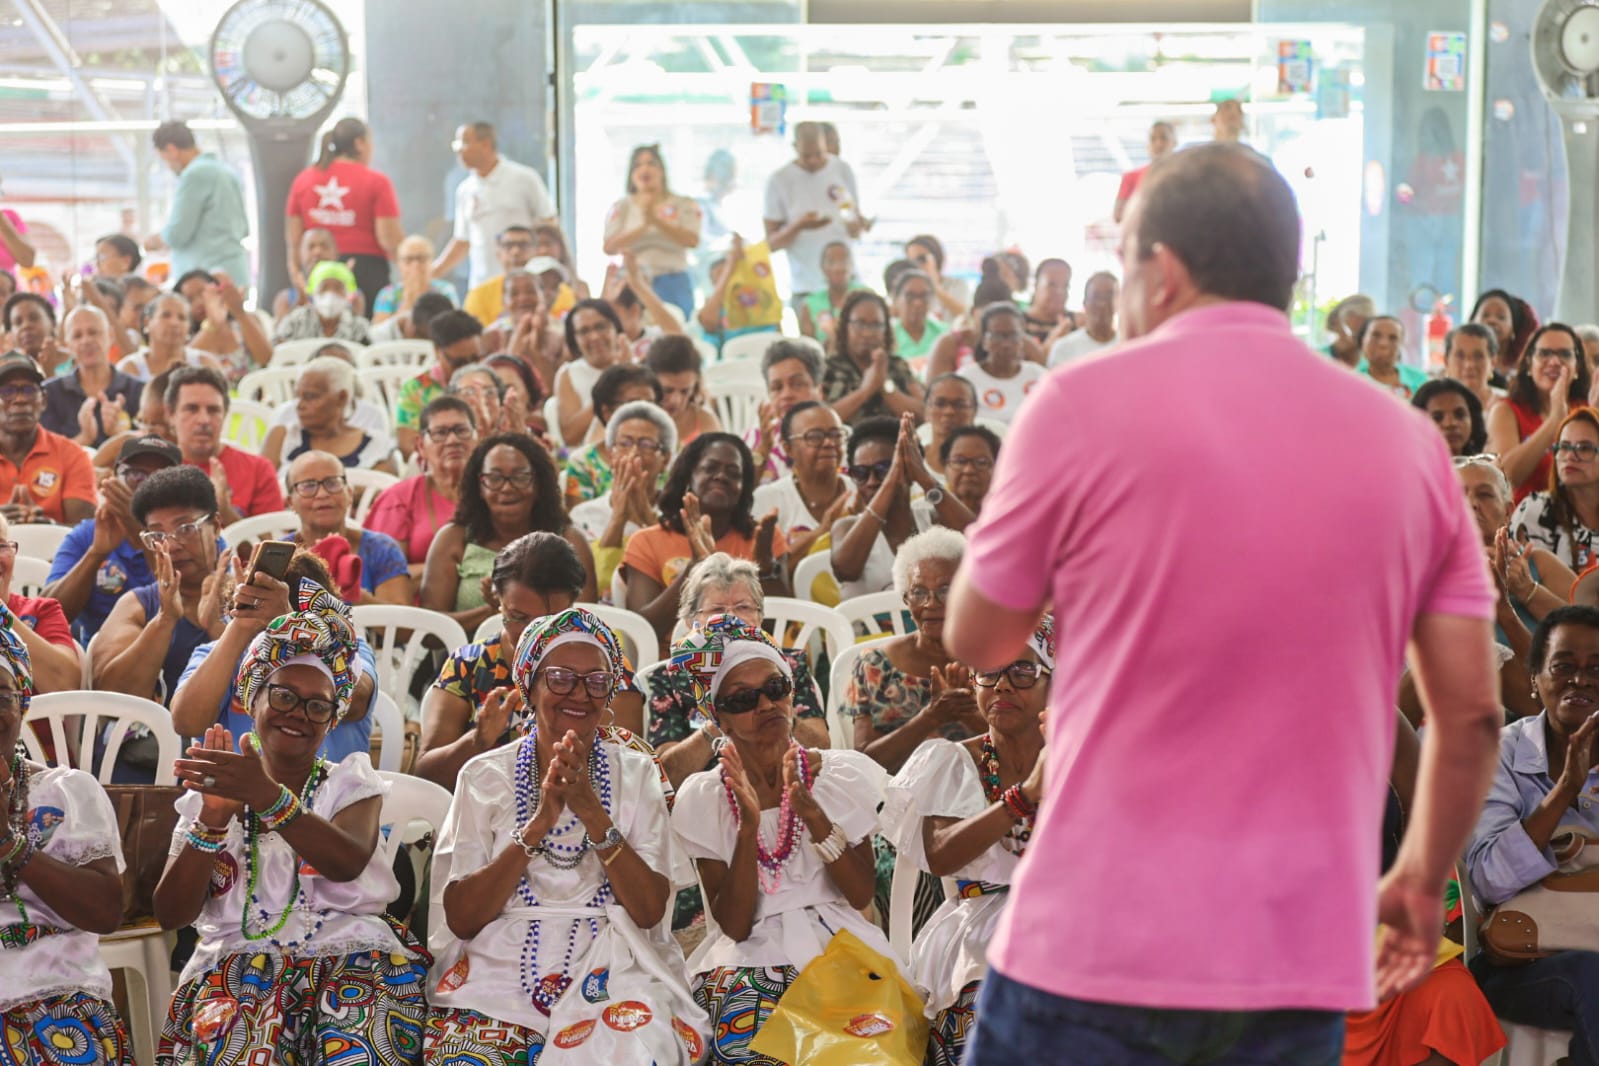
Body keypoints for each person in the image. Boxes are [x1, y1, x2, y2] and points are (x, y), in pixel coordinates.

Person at [945, 142, 1501, 1065]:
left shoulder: (1077, 404)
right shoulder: (1407, 445)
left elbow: (981, 636)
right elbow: (1472, 716)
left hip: (1088, 944)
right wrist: (1416, 877)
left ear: (1159, 271)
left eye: (1122, 264)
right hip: (1293, 961)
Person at [153, 591, 429, 1065]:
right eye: (283, 696)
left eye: (318, 706)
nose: (299, 713)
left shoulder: (349, 780)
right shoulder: (214, 791)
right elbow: (171, 914)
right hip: (236, 969)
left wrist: (266, 796)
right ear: (251, 698)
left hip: (352, 961)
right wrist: (214, 818)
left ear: (332, 719)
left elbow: (345, 861)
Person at [424, 607, 700, 1063]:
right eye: (560, 678)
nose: (579, 694)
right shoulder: (484, 774)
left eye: (596, 682)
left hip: (615, 963)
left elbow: (650, 911)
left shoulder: (635, 773)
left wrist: (593, 813)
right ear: (528, 687)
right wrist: (540, 821)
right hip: (500, 967)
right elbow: (463, 917)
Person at [669, 615, 896, 1065]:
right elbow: (734, 926)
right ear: (721, 720)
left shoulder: (838, 775)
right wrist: (748, 828)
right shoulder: (706, 797)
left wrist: (810, 811)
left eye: (775, 688)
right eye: (744, 699)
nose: (766, 705)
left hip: (843, 947)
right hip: (748, 959)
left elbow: (859, 893)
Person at [881, 615, 1052, 1066]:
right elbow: (939, 854)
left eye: (1023, 671)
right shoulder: (956, 760)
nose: (1001, 686)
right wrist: (1023, 798)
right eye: (989, 671)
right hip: (978, 931)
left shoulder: (1088, 755)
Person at [1464, 605, 1599, 1064]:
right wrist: (1564, 790)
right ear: (1535, 679)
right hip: (1522, 960)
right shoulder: (1499, 753)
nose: (1580, 680)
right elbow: (1486, 880)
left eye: (1596, 669)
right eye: (1564, 666)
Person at [415, 536, 649, 790]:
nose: (534, 636)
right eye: (518, 617)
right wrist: (476, 742)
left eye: (551, 622)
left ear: (573, 604)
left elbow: (628, 777)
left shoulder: (603, 673)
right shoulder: (470, 665)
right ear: (497, 601)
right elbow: (426, 777)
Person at [0, 624, 134, 1065]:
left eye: (2, 696)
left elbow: (105, 912)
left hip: (56, 1002)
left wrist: (10, 846)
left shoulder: (66, 791)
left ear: (22, 705)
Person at [649, 555, 829, 789]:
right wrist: (722, 717)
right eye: (717, 609)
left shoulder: (789, 667)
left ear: (759, 618)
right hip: (707, 798)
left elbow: (822, 749)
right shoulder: (670, 678)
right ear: (690, 623)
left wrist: (780, 712)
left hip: (786, 787)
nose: (731, 619)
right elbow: (667, 776)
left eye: (743, 607)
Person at [421, 433, 596, 634]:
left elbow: (585, 624)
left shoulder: (569, 539)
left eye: (520, 477)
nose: (507, 487)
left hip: (551, 661)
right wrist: (494, 610)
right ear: (479, 485)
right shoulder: (454, 538)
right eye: (494, 478)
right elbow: (429, 631)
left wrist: (512, 607)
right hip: (467, 661)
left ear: (538, 483)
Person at [622, 433, 786, 643]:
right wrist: (695, 567)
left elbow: (782, 625)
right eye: (710, 468)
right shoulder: (646, 541)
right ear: (689, 477)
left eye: (733, 473)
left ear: (743, 487)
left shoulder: (764, 538)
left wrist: (765, 567)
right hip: (673, 667)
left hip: (751, 665)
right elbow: (643, 631)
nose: (721, 476)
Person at [844, 528, 983, 771]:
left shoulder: (994, 656)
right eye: (919, 592)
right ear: (905, 599)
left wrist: (967, 712)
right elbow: (865, 764)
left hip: (985, 793)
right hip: (902, 799)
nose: (931, 603)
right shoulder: (875, 666)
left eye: (945, 590)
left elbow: (1026, 747)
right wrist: (931, 716)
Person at [91, 464, 223, 706]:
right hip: (158, 739)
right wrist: (165, 619)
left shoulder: (251, 595)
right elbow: (109, 700)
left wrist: (220, 629)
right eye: (158, 535)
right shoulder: (140, 604)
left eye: (186, 529)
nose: (171, 545)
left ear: (215, 527)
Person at [45, 433, 179, 642]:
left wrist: (141, 535)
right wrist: (96, 553)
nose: (149, 489)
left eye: (163, 479)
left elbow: (188, 612)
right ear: (115, 480)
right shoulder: (88, 534)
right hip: (100, 663)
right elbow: (46, 616)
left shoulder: (193, 534)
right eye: (137, 476)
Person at [833, 415, 972, 600]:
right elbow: (846, 571)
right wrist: (890, 481)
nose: (872, 481)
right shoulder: (846, 527)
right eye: (861, 473)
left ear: (910, 468)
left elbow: (979, 540)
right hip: (871, 630)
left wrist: (924, 478)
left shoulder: (934, 521)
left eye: (884, 470)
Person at [285, 116, 402, 311]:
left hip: (317, 272)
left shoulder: (303, 180)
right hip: (366, 271)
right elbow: (389, 239)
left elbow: (293, 240)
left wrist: (296, 273)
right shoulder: (376, 182)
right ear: (360, 143)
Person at [432, 121, 556, 291]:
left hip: (525, 284)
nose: (459, 150)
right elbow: (462, 241)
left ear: (485, 144)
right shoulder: (465, 190)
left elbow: (549, 224)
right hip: (482, 285)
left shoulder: (524, 178)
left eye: (464, 143)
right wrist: (433, 272)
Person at [571, 400, 675, 598]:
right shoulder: (582, 515)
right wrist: (618, 517)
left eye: (646, 445)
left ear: (666, 459)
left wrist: (646, 515)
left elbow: (674, 575)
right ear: (611, 454)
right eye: (625, 443)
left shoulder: (677, 513)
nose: (634, 454)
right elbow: (586, 585)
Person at [365, 397, 478, 576]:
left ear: (477, 439)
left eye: (461, 430)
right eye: (440, 433)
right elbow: (383, 577)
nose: (453, 440)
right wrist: (451, 568)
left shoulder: (496, 492)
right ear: (420, 445)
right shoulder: (399, 499)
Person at [281, 451, 412, 605]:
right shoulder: (282, 555)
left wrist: (356, 598)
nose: (322, 494)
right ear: (291, 503)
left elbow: (403, 625)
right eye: (308, 486)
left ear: (349, 494)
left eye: (332, 482)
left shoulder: (381, 549)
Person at [763, 121, 867, 306]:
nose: (813, 161)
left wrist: (857, 225)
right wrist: (799, 226)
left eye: (818, 154)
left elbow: (855, 225)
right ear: (795, 147)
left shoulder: (842, 169)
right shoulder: (780, 180)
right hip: (806, 286)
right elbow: (771, 244)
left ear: (825, 145)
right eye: (806, 155)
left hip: (846, 283)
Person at [1487, 322, 1591, 504]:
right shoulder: (1506, 410)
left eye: (1565, 354)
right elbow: (1503, 479)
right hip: (1523, 524)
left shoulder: (1588, 408)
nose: (1554, 362)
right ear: (1529, 363)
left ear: (1578, 367)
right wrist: (1554, 421)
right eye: (1544, 353)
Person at [166, 366, 283, 524]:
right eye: (192, 409)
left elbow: (273, 544)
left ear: (225, 414)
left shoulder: (258, 470)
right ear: (170, 414)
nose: (204, 420)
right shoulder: (153, 467)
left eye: (213, 410)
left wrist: (225, 512)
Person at [603, 144, 703, 317]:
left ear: (662, 170)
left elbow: (692, 240)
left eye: (651, 163)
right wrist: (643, 226)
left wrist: (657, 221)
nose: (645, 169)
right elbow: (609, 246)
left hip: (672, 279)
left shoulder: (683, 203)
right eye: (638, 165)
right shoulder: (622, 207)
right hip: (633, 279)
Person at [145, 121, 249, 285]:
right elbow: (244, 228)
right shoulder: (225, 171)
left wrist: (153, 242)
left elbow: (177, 234)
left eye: (164, 160)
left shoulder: (194, 175)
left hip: (205, 279)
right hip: (233, 271)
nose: (168, 167)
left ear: (172, 150)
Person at [0, 350, 95, 525]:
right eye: (7, 391)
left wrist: (47, 528)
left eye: (29, 390)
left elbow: (85, 533)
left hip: (55, 552)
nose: (20, 399)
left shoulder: (72, 455)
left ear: (43, 400)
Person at [752, 400, 854, 562]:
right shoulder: (769, 500)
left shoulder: (861, 492)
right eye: (814, 437)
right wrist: (822, 531)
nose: (828, 443)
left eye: (836, 435)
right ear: (788, 448)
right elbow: (766, 574)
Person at [259, 355, 396, 473]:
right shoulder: (282, 438)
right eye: (298, 397)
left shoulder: (376, 446)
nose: (300, 405)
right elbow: (262, 488)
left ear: (341, 398)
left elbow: (385, 494)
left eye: (310, 396)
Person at [1510, 407, 1599, 571]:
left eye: (1584, 448)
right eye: (1564, 447)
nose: (1570, 456)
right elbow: (1524, 589)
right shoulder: (1535, 510)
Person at [563, 363, 663, 506]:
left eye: (650, 404)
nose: (644, 413)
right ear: (607, 412)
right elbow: (579, 523)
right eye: (633, 405)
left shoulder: (666, 454)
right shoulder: (583, 463)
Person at [821, 290, 925, 426]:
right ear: (846, 326)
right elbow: (820, 420)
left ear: (886, 330)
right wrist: (865, 390)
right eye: (860, 323)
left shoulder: (897, 365)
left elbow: (925, 414)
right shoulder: (828, 368)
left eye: (876, 325)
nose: (867, 333)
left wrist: (884, 385)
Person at [43, 305, 142, 447]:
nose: (86, 341)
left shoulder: (138, 390)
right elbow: (47, 460)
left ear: (111, 335)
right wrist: (84, 437)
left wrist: (119, 437)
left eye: (93, 332)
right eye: (77, 335)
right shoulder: (49, 393)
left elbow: (151, 453)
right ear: (68, 345)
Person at [394, 309, 484, 456]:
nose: (468, 369)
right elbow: (407, 445)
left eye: (475, 360)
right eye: (458, 363)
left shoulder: (489, 384)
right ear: (437, 351)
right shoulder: (416, 389)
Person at [748, 338, 826, 484]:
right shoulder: (754, 439)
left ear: (819, 390)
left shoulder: (838, 439)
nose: (786, 395)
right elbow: (740, 498)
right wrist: (764, 449)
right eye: (777, 388)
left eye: (797, 384)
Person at [553, 299, 628, 447]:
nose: (594, 337)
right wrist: (612, 380)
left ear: (615, 329)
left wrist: (625, 369)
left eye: (601, 327)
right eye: (584, 331)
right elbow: (570, 436)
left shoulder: (637, 367)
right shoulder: (568, 374)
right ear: (574, 339)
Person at [959, 302, 1046, 424]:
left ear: (1022, 340)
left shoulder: (1039, 375)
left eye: (1013, 336)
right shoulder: (966, 379)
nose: (1006, 344)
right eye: (998, 336)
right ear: (984, 341)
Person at [119, 292, 225, 381]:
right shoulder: (130, 367)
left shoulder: (205, 363)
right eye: (166, 315)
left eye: (182, 318)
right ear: (147, 322)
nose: (174, 323)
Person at [644, 334, 721, 448]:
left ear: (695, 386)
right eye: (668, 390)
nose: (676, 400)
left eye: (685, 391)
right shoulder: (636, 421)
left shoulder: (705, 422)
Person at [272, 260, 374, 345]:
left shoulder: (358, 326)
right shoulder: (296, 321)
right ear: (313, 291)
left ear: (348, 294)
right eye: (324, 287)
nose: (330, 293)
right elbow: (276, 349)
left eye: (338, 288)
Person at [462, 225, 538, 328]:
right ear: (498, 254)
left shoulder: (559, 292)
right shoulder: (479, 295)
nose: (515, 251)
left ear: (537, 252)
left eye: (523, 245)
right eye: (508, 246)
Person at [374, 235, 456, 324]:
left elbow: (452, 326)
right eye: (409, 259)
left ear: (431, 261)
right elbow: (379, 330)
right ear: (399, 264)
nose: (415, 265)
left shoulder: (445, 290)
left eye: (421, 258)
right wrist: (408, 300)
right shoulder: (387, 294)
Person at [797, 240, 864, 345]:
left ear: (852, 265)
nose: (837, 268)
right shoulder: (810, 303)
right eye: (831, 261)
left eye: (843, 261)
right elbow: (808, 346)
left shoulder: (865, 296)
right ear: (822, 267)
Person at [1047, 272, 1119, 367]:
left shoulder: (1128, 346)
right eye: (1096, 296)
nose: (1102, 303)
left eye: (1109, 296)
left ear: (1119, 301)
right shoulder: (1064, 348)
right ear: (1085, 303)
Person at [1471, 288, 1537, 386]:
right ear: (1472, 321)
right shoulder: (1461, 363)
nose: (1492, 321)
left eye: (1501, 317)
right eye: (1485, 315)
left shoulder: (1523, 371)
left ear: (1513, 328)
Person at [1114, 120, 1177, 223]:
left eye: (1163, 138)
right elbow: (1118, 216)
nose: (1158, 143)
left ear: (1174, 142)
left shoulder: (1185, 176)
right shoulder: (1130, 177)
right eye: (1153, 139)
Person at [923, 374, 979, 483]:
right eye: (940, 404)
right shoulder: (912, 460)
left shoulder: (990, 465)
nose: (949, 411)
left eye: (959, 405)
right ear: (926, 410)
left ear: (974, 411)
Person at [1357, 315, 1429, 399]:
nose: (1383, 344)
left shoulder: (1419, 380)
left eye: (1393, 338)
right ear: (1363, 340)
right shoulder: (1352, 379)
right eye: (1375, 336)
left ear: (1401, 344)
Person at [891, 269, 949, 374]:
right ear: (896, 299)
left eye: (924, 296)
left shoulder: (946, 334)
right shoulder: (888, 335)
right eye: (910, 296)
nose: (918, 303)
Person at [1411, 379, 1487, 458]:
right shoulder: (1407, 468)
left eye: (1460, 415)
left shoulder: (1485, 467)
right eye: (1437, 418)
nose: (1450, 424)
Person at [907, 234, 971, 322]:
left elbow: (966, 316)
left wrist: (934, 285)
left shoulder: (957, 285)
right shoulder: (908, 289)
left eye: (921, 259)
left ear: (936, 257)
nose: (917, 265)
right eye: (911, 261)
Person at [941, 424, 1001, 517]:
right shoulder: (925, 515)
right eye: (960, 461)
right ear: (944, 467)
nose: (969, 470)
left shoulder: (1007, 514)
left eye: (981, 462)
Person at [3, 291, 66, 378]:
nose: (26, 326)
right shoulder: (7, 377)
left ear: (52, 323)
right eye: (18, 322)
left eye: (34, 318)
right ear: (9, 334)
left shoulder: (79, 362)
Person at [1444, 321, 1503, 411]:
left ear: (1493, 362)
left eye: (1478, 356)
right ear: (1446, 361)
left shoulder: (1508, 405)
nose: (1469, 365)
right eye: (1460, 356)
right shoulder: (1432, 405)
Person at [1022, 258, 1075, 347]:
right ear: (1035, 285)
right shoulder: (1015, 324)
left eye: (1065, 286)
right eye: (1052, 285)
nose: (1060, 292)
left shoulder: (1078, 324)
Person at [1325, 294, 1376, 368]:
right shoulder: (1316, 358)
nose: (1356, 339)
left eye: (1362, 332)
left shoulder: (1374, 367)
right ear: (1335, 322)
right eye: (1351, 332)